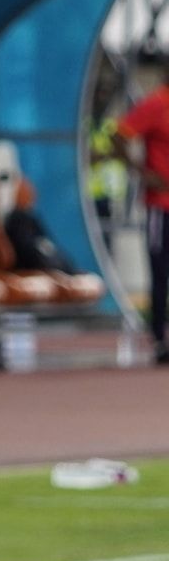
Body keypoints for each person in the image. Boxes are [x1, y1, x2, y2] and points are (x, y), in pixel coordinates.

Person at [116, 52, 169, 365]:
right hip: (162, 206)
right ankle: (160, 339)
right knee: (161, 271)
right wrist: (142, 171)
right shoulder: (157, 103)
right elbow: (119, 135)